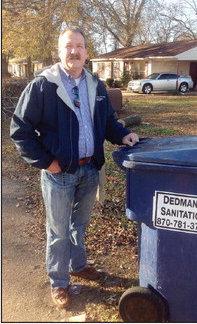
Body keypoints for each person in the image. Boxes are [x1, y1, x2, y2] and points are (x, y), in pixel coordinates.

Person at [10, 27, 139, 309]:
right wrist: (48, 163)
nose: (74, 51)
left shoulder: (95, 85)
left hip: (90, 170)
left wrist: (122, 135)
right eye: (69, 46)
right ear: (60, 51)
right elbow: (20, 130)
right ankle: (58, 282)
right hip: (59, 174)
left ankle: (78, 265)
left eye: (79, 46)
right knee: (57, 232)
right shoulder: (43, 86)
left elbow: (107, 122)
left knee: (79, 225)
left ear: (86, 52)